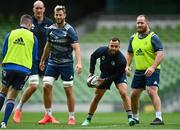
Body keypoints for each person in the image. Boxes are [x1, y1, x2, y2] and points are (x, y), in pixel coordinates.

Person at [38, 5, 82, 125]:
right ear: (54, 15)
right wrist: (42, 60)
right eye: (56, 15)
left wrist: (79, 63)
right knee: (46, 86)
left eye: (60, 15)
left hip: (66, 64)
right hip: (52, 62)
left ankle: (72, 117)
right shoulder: (50, 29)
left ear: (64, 15)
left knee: (68, 91)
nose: (58, 17)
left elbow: (76, 47)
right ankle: (48, 115)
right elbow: (48, 46)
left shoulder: (70, 30)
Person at [13, 0, 54, 124]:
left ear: (44, 9)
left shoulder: (49, 23)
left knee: (48, 86)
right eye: (37, 8)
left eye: (40, 8)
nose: (39, 10)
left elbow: (51, 41)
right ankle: (18, 109)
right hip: (32, 59)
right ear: (33, 9)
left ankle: (49, 115)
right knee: (34, 85)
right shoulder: (29, 23)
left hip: (46, 59)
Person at [81, 37, 135, 126]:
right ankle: (88, 119)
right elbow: (93, 56)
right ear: (108, 45)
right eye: (112, 46)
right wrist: (91, 72)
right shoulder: (102, 50)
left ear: (119, 47)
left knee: (124, 93)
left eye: (116, 46)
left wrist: (105, 80)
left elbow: (117, 75)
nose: (114, 48)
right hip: (105, 74)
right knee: (97, 96)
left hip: (118, 75)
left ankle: (130, 118)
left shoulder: (121, 60)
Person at [0, 14, 38, 128]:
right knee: (12, 97)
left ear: (21, 23)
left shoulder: (10, 34)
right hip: (24, 70)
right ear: (30, 24)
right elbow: (34, 57)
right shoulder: (33, 37)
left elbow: (4, 52)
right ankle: (4, 123)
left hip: (9, 67)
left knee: (3, 92)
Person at [125, 14, 164, 125]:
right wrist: (127, 65)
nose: (139, 24)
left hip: (152, 70)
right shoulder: (133, 38)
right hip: (139, 71)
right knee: (133, 95)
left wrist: (152, 67)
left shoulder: (153, 37)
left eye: (142, 22)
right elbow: (129, 53)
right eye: (138, 22)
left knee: (151, 91)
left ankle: (159, 118)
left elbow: (160, 54)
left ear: (147, 23)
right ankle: (136, 118)